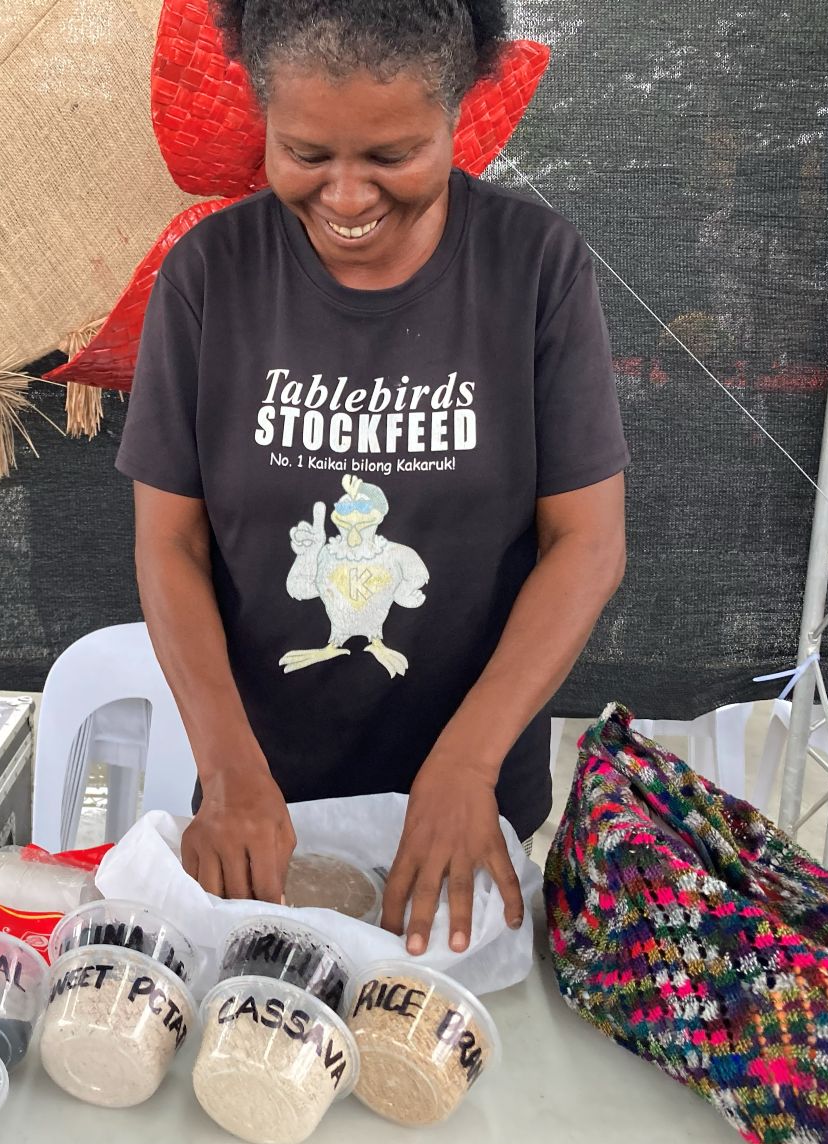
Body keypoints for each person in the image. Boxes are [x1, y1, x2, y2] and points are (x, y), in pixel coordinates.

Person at [115, 0, 629, 956]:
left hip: (471, 808)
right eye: (307, 155)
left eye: (391, 157)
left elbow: (587, 543)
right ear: (266, 117)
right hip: (261, 809)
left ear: (455, 115)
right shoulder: (209, 278)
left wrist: (468, 768)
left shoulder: (533, 267)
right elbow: (170, 542)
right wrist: (228, 773)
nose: (347, 197)